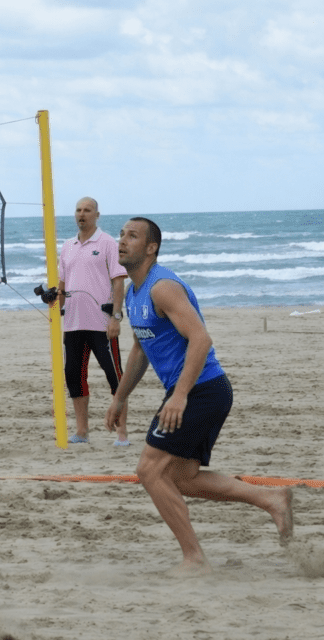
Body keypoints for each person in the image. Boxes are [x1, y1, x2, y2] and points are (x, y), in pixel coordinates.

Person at [106, 217, 293, 576]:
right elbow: (139, 350)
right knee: (181, 477)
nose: (122, 241)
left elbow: (201, 339)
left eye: (132, 236)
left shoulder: (163, 287)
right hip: (199, 391)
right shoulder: (133, 292)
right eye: (121, 235)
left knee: (149, 470)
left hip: (201, 390)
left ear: (151, 248)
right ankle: (272, 499)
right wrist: (120, 398)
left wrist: (179, 397)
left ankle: (194, 559)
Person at [56, 197, 130, 445]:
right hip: (74, 324)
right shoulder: (67, 246)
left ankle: (122, 433)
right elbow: (63, 286)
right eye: (78, 210)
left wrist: (116, 317)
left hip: (101, 323)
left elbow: (119, 281)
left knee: (115, 376)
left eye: (87, 210)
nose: (82, 214)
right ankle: (82, 432)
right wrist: (55, 301)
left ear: (97, 214)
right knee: (74, 377)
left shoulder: (108, 243)